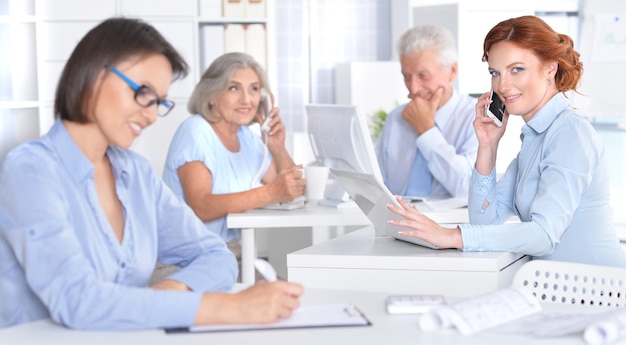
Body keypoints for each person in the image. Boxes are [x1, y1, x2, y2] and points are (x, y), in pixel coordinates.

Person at [0, 17, 303, 330]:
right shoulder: (30, 172)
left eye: (158, 102)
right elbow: (78, 301)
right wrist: (230, 307)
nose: (150, 114)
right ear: (93, 76)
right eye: (142, 92)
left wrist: (171, 294)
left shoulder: (136, 174)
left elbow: (216, 255)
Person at [387, 16, 626, 267]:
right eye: (495, 73)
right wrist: (488, 146)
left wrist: (451, 236)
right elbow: (485, 220)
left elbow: (544, 235)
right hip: (559, 289)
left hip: (600, 290)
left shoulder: (570, 133)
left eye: (517, 69)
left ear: (549, 68)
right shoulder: (534, 138)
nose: (503, 85)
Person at [162, 52, 305, 258]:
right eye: (234, 88)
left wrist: (277, 147)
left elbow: (292, 190)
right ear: (211, 96)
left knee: (291, 289)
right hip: (188, 258)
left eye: (254, 89)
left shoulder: (247, 137)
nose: (246, 100)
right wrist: (271, 193)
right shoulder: (195, 131)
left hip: (234, 253)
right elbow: (201, 206)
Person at [375, 25, 478, 199]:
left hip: (448, 225)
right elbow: (377, 184)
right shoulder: (396, 118)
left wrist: (427, 131)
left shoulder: (476, 117)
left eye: (423, 75)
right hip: (397, 223)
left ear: (452, 71)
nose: (413, 88)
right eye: (407, 76)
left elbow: (470, 189)